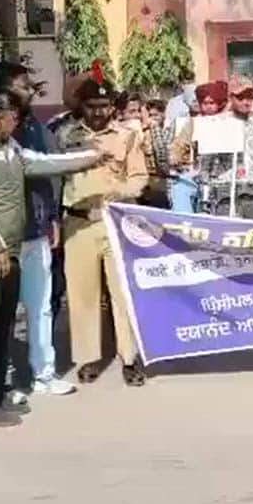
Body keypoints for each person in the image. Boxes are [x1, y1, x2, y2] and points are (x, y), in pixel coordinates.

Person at [0, 88, 102, 426]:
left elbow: (39, 163)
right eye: (13, 117)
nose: (18, 122)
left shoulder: (7, 148)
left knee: (1, 329)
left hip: (9, 255)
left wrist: (89, 158)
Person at [57, 78, 151, 387]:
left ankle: (129, 357)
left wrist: (120, 193)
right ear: (81, 106)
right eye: (91, 106)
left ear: (112, 105)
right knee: (82, 294)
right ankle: (88, 358)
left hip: (115, 221)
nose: (98, 112)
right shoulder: (65, 135)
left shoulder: (126, 136)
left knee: (122, 292)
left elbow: (139, 177)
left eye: (104, 106)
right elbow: (55, 178)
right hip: (78, 222)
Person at [0, 64, 82, 397]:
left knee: (41, 305)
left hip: (37, 229)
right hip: (3, 235)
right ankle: (3, 381)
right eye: (23, 85)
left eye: (32, 86)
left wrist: (52, 219)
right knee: (2, 311)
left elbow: (51, 176)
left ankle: (44, 373)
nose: (31, 90)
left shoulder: (39, 129)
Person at [198, 79, 253, 219]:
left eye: (249, 97)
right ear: (231, 98)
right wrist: (206, 188)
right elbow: (207, 159)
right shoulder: (217, 124)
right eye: (240, 98)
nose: (246, 102)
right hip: (226, 191)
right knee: (228, 237)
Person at [167, 81, 226, 213]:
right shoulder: (194, 123)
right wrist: (175, 157)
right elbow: (179, 144)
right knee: (180, 189)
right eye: (205, 103)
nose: (208, 107)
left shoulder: (227, 122)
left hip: (223, 173)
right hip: (197, 173)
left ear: (219, 103)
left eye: (212, 103)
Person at [141, 99, 174, 208]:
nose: (153, 118)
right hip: (155, 179)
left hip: (169, 178)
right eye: (150, 115)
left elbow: (162, 153)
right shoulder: (147, 131)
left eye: (156, 115)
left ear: (163, 114)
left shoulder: (170, 129)